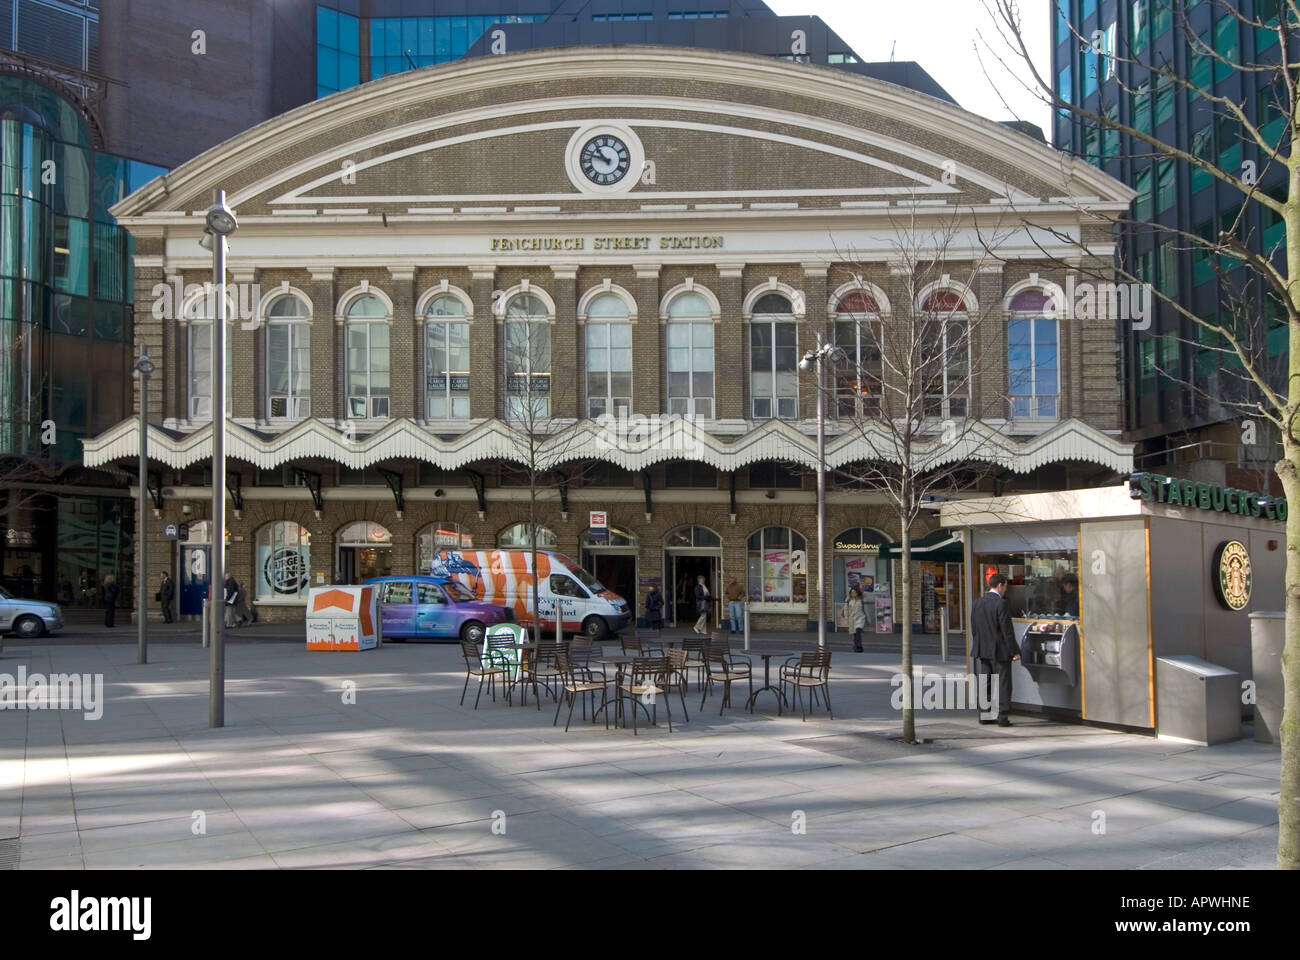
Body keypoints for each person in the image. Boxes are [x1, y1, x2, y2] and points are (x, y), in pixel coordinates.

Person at [970, 573, 1020, 726]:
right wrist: (1014, 651)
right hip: (1000, 651)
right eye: (1005, 586)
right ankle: (1002, 717)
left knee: (986, 682)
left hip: (983, 649)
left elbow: (974, 627)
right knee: (1003, 683)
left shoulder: (977, 603)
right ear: (1000, 585)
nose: (1006, 590)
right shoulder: (1001, 603)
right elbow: (1007, 630)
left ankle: (984, 715)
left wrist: (979, 643)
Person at [845, 586, 867, 653]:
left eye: (854, 592)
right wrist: (846, 619)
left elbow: (865, 610)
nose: (853, 594)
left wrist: (868, 620)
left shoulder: (861, 600)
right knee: (855, 634)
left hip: (860, 618)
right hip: (852, 619)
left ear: (857, 593)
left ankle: (858, 646)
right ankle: (857, 646)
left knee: (858, 631)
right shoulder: (849, 601)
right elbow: (846, 610)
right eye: (852, 592)